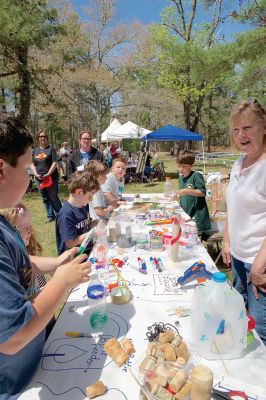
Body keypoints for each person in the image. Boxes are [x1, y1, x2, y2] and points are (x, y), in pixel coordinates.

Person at [0, 113, 91, 398]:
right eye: (27, 170)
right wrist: (62, 281)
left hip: (39, 363)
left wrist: (57, 263)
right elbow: (13, 336)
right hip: (17, 386)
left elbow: (19, 265)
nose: (31, 179)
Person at [222, 99, 266, 345]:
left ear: (264, 127)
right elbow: (233, 207)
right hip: (238, 259)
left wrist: (259, 268)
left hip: (258, 264)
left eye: (248, 127)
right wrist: (227, 241)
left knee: (260, 330)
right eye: (236, 130)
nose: (241, 135)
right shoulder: (239, 162)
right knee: (239, 316)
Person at [56, 171, 99, 256]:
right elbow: (70, 243)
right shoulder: (66, 214)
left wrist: (95, 223)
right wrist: (92, 233)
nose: (92, 199)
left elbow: (85, 226)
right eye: (91, 195)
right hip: (73, 258)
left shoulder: (83, 206)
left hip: (87, 251)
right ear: (79, 192)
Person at [176, 151, 211, 233]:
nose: (181, 169)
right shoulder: (180, 178)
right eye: (179, 166)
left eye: (184, 166)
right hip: (186, 215)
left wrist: (187, 191)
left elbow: (202, 192)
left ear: (191, 165)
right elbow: (183, 195)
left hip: (198, 218)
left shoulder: (196, 176)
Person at [31, 130, 62, 223]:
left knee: (53, 197)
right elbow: (31, 164)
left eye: (44, 136)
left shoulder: (51, 149)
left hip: (51, 178)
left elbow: (54, 162)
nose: (42, 138)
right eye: (40, 136)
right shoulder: (34, 151)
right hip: (39, 178)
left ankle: (61, 215)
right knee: (45, 198)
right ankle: (50, 216)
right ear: (38, 138)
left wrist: (48, 174)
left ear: (47, 138)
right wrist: (35, 174)